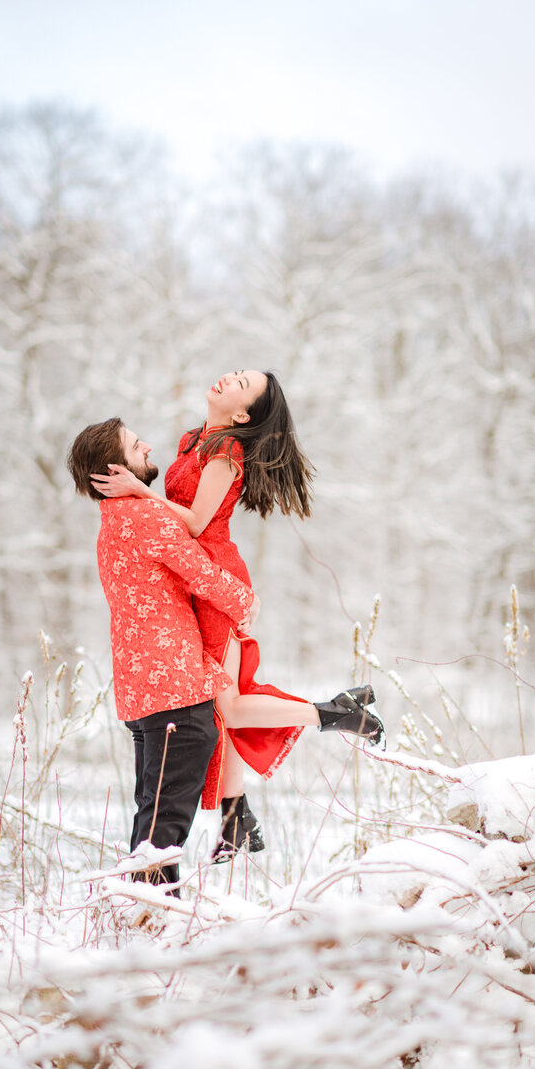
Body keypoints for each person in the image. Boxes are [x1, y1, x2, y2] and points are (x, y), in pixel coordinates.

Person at [87, 380, 384, 859]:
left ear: (243, 416)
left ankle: (335, 714)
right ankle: (235, 818)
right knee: (218, 706)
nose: (229, 378)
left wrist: (140, 491)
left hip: (213, 572)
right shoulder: (191, 440)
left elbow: (199, 523)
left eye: (242, 384)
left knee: (230, 705)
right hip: (188, 570)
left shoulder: (226, 449)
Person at [67, 417, 255, 893]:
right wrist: (246, 603)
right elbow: (202, 575)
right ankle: (153, 919)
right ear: (115, 469)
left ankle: (145, 914)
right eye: (135, 445)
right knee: (164, 826)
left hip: (142, 694)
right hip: (175, 690)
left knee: (153, 817)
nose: (147, 446)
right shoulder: (144, 517)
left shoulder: (112, 521)